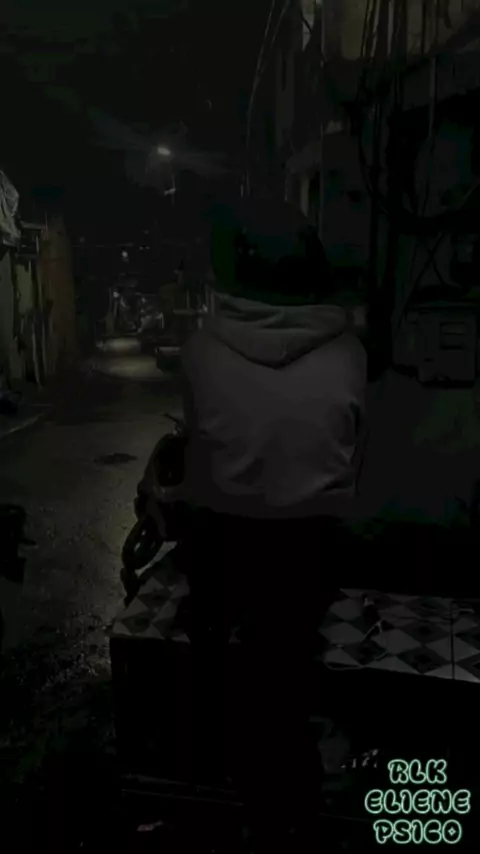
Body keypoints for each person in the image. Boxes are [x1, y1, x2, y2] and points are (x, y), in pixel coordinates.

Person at [179, 195, 367, 853]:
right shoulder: (349, 352)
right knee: (287, 659)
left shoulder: (200, 351)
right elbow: (352, 454)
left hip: (228, 547)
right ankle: (297, 785)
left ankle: (226, 764)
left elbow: (201, 460)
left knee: (221, 637)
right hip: (314, 549)